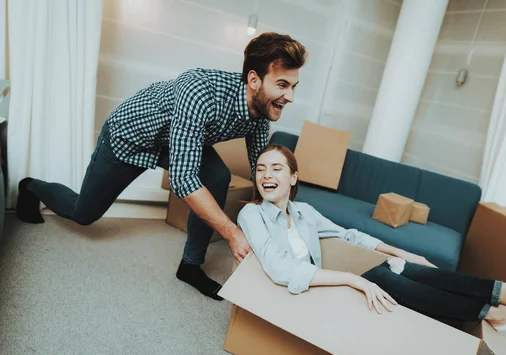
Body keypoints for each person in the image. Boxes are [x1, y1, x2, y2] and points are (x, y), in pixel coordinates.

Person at [16, 33, 307, 301]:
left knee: (217, 176)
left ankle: (190, 266)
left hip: (177, 141)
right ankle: (30, 186)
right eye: (282, 85)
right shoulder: (201, 92)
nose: (290, 97)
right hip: (130, 137)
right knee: (84, 214)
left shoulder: (261, 112)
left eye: (293, 86)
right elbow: (183, 179)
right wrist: (233, 233)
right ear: (254, 80)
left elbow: (264, 168)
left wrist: (285, 218)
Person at [237, 144, 506, 331]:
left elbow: (351, 236)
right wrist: (355, 281)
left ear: (293, 178)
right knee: (395, 284)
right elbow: (279, 268)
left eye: (276, 168)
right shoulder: (251, 214)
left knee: (404, 268)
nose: (267, 175)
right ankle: (502, 307)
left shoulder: (304, 212)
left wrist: (402, 252)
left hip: (327, 280)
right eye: (261, 169)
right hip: (302, 292)